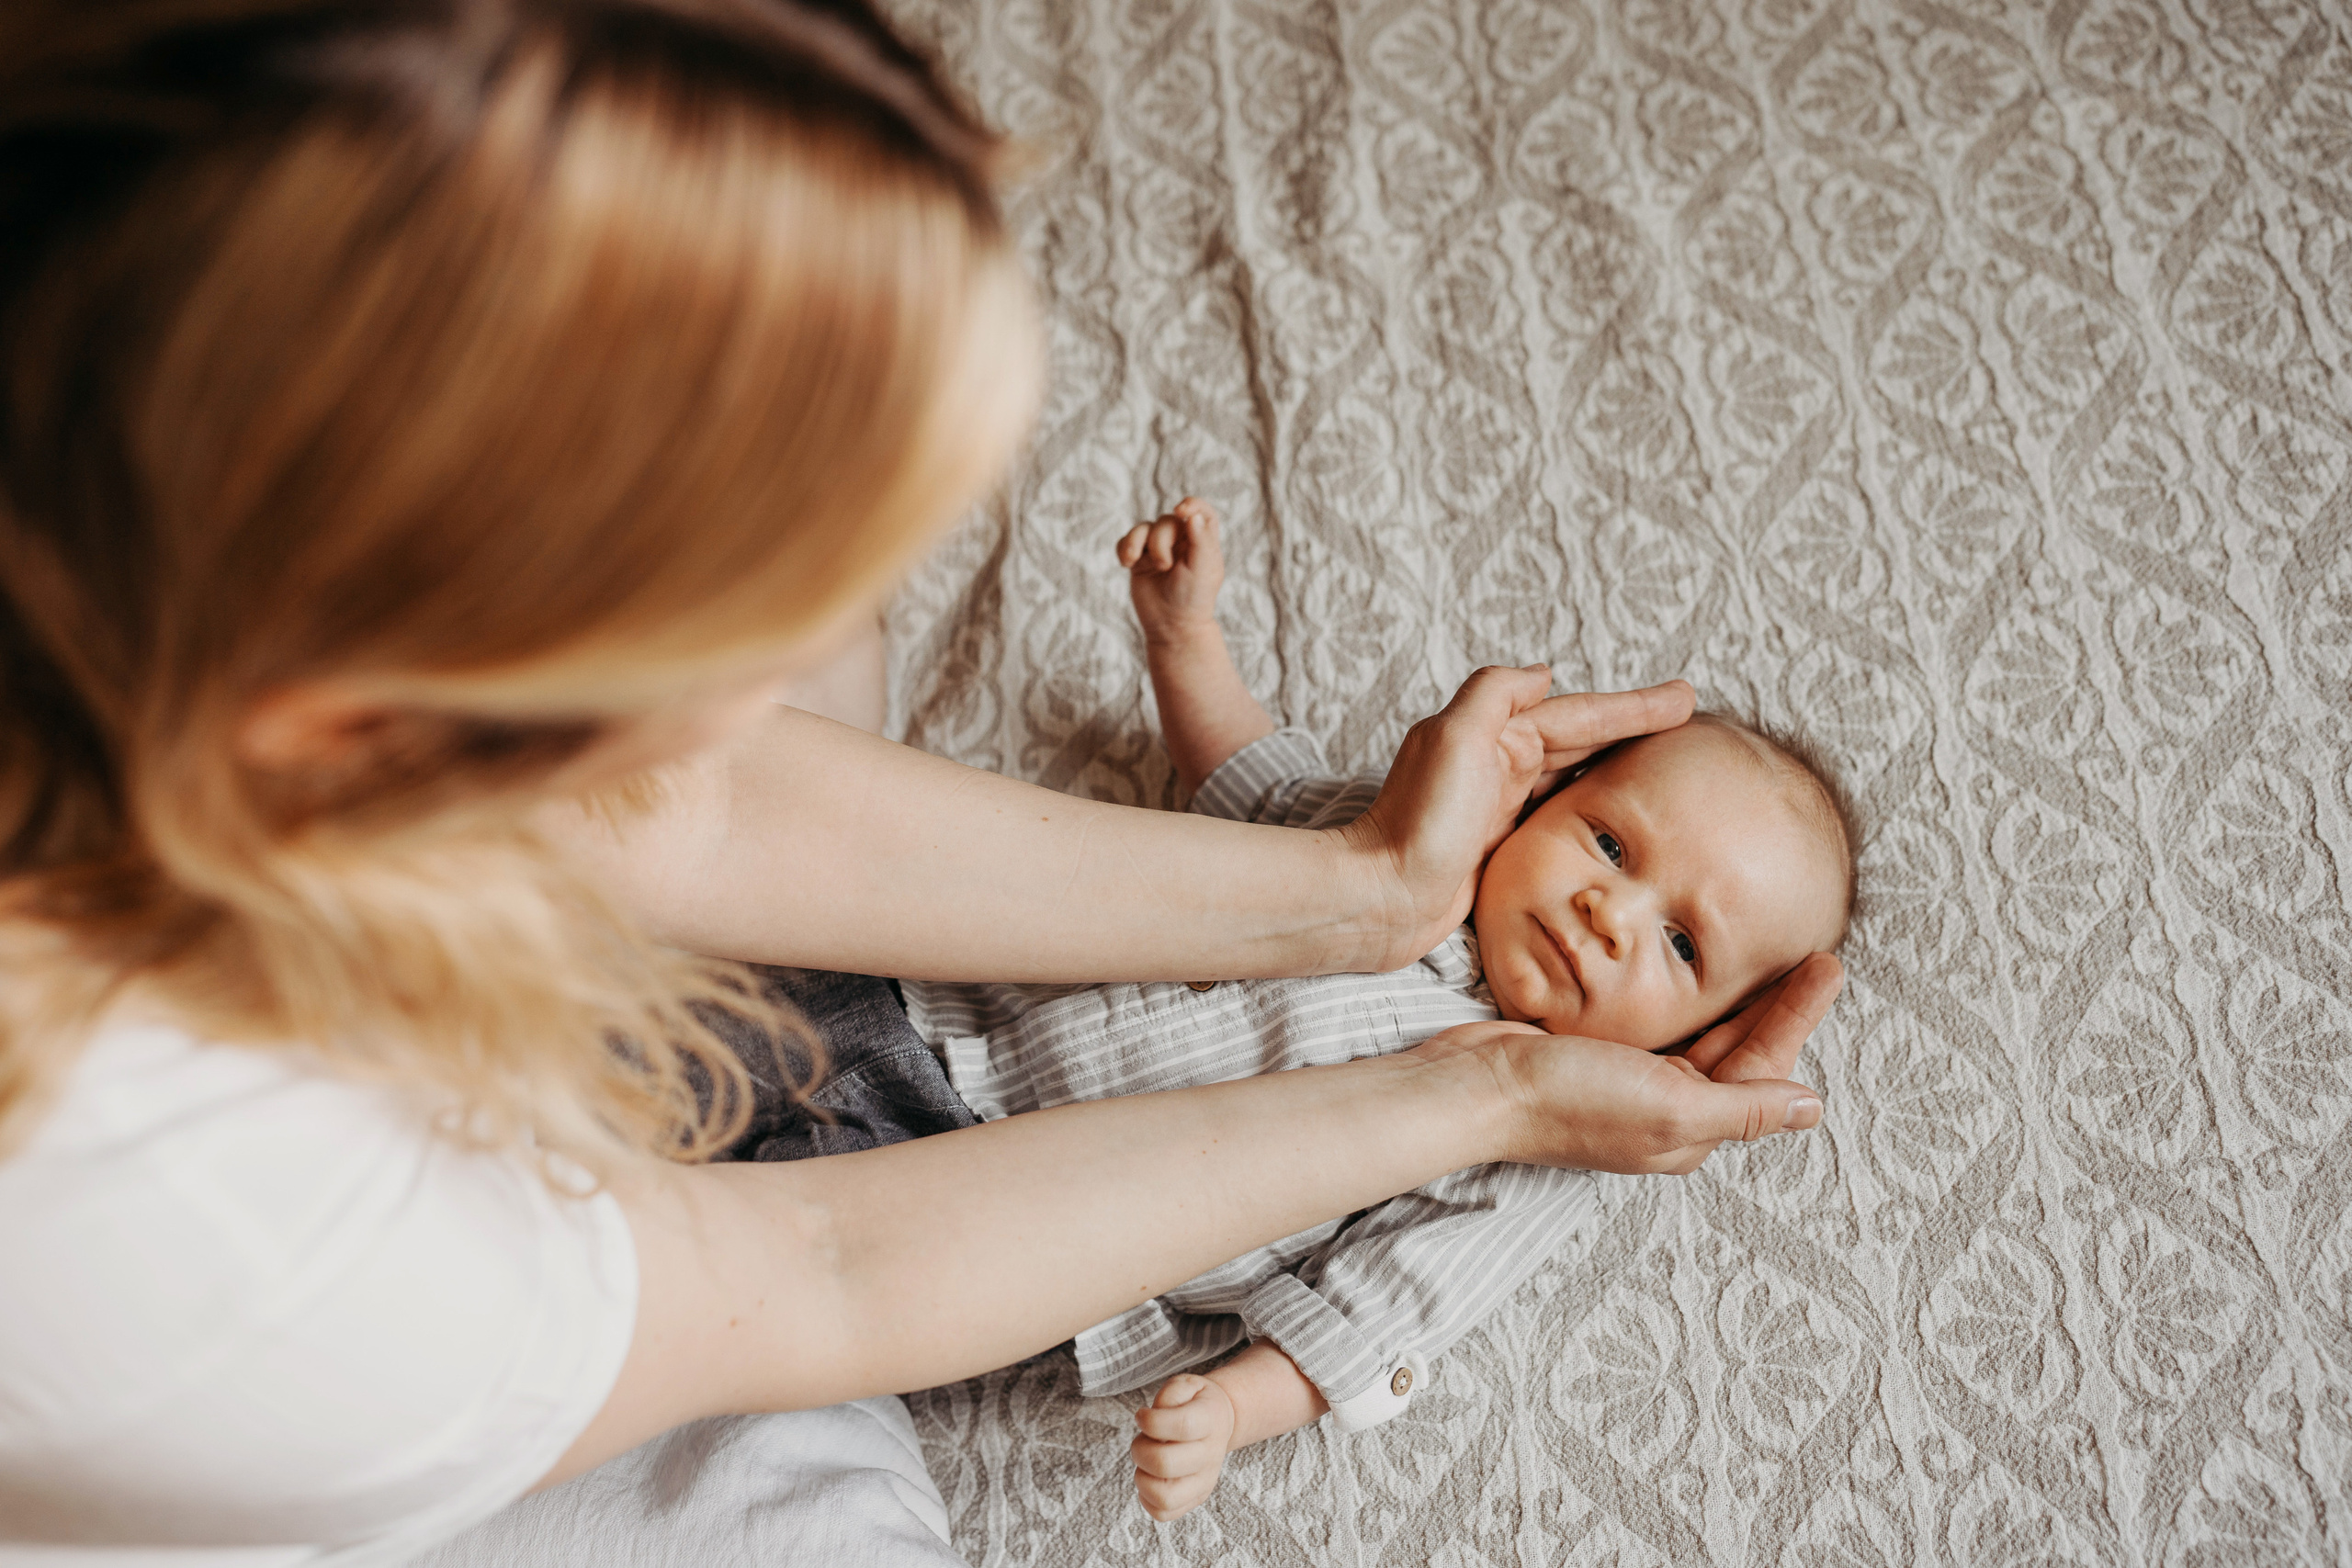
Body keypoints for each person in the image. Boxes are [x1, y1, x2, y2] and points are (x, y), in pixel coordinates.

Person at [0, 4, 1838, 1563]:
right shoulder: (194, 1239)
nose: (1611, 906)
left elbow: (719, 816)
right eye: (736, 620)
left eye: (1683, 939)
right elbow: (809, 1273)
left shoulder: (164, 549)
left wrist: (1369, 894)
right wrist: (1475, 1079)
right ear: (365, 710)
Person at [738, 499, 1856, 1520]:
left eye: (1679, 943)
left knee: (745, 1290)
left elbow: (1373, 1314)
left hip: (1001, 1231)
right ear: (1547, 793)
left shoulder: (1550, 1142)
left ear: (1698, 1044)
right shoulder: (1415, 836)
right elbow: (1250, 782)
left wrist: (1231, 1409)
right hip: (907, 1001)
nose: (1611, 911)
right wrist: (1187, 643)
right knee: (632, 1051)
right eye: (1610, 842)